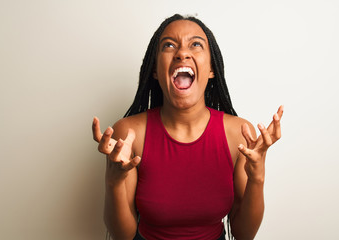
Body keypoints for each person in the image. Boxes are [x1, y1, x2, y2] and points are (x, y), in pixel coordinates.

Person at [92, 14, 283, 240]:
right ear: (154, 70)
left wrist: (257, 178)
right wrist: (113, 182)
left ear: (211, 69)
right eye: (169, 45)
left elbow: (243, 234)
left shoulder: (238, 135)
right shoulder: (130, 134)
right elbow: (123, 235)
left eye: (196, 44)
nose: (182, 53)